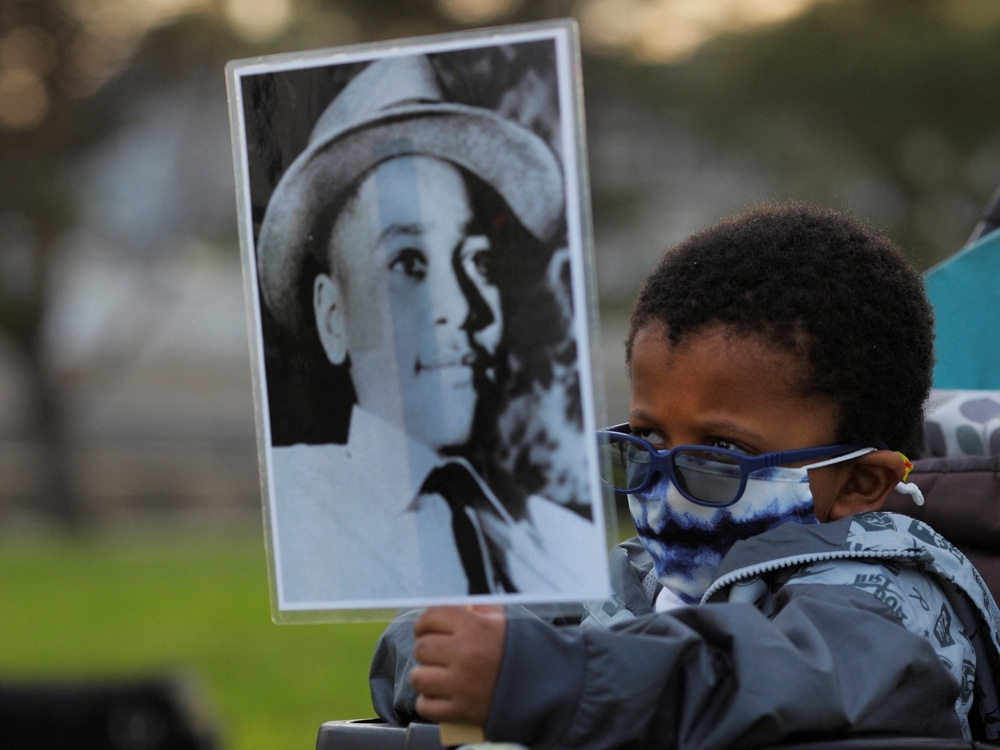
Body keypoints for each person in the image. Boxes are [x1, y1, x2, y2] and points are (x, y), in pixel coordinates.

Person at [369, 202, 1000, 747]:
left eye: (721, 451)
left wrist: (548, 679)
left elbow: (772, 683)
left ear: (861, 484)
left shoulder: (890, 604)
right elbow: (466, 621)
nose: (668, 489)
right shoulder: (641, 576)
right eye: (647, 440)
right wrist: (444, 655)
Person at [254, 53, 607, 606]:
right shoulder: (292, 513)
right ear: (332, 315)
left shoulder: (563, 544)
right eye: (409, 264)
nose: (465, 310)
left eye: (479, 265)